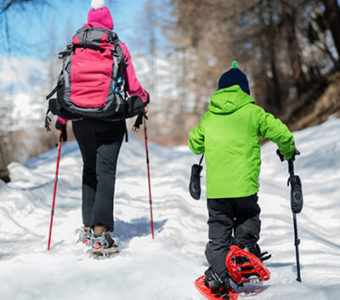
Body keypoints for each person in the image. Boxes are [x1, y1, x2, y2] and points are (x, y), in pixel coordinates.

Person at [188, 61, 296, 290]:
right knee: (247, 217)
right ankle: (246, 249)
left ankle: (219, 272)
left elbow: (194, 144)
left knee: (219, 231)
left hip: (217, 191)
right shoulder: (252, 112)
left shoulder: (209, 117)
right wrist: (287, 151)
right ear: (245, 90)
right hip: (245, 186)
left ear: (220, 90)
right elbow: (282, 133)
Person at [55, 0, 149, 249]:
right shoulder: (118, 47)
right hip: (110, 118)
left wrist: (62, 120)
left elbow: (65, 85)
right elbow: (132, 86)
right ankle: (101, 231)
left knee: (89, 169)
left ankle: (87, 228)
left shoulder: (75, 48)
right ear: (109, 24)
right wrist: (144, 98)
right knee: (106, 173)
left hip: (81, 120)